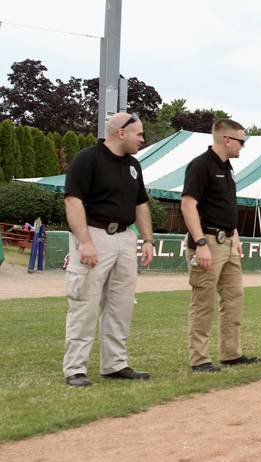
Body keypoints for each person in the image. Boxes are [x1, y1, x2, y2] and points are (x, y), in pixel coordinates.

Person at [62, 112, 154, 387]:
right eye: (138, 134)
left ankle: (115, 365)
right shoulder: (87, 159)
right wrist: (85, 241)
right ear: (120, 133)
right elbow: (72, 201)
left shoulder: (133, 165)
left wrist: (147, 239)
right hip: (95, 234)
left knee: (121, 305)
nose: (142, 139)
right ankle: (75, 369)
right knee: (85, 304)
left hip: (125, 237)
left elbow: (141, 204)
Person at [181, 119, 261, 373]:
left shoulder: (227, 168)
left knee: (233, 300)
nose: (243, 147)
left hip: (227, 242)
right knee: (203, 303)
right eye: (241, 141)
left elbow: (223, 207)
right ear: (226, 140)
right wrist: (201, 243)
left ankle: (231, 353)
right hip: (208, 242)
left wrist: (234, 234)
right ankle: (200, 360)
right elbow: (188, 205)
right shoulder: (200, 166)